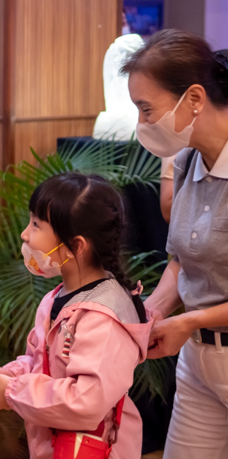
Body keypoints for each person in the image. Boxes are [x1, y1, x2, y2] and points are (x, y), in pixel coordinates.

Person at [0, 173, 150, 459]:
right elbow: (38, 360)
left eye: (36, 225)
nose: (24, 234)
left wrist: (15, 393)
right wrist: (13, 375)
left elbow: (86, 402)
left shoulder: (103, 318)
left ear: (76, 245)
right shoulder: (54, 298)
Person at [123, 29, 228, 459]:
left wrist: (187, 322)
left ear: (195, 98)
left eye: (147, 110)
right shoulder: (187, 162)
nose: (142, 125)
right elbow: (180, 261)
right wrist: (153, 314)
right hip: (200, 360)